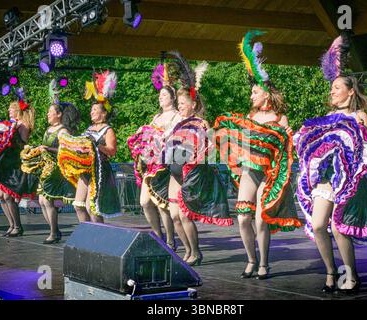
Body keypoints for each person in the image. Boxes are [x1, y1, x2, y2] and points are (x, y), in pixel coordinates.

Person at [294, 33, 367, 294]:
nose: (332, 91)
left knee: (338, 225)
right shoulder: (327, 117)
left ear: (350, 90)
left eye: (336, 87)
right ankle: (331, 272)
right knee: (319, 224)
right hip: (325, 179)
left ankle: (351, 275)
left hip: (347, 179)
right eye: (331, 88)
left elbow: (364, 146)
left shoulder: (359, 115)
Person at [213, 30, 302, 280]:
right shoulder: (249, 118)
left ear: (265, 93)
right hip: (250, 170)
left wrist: (287, 136)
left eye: (254, 92)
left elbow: (286, 148)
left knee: (262, 220)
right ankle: (251, 259)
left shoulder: (279, 118)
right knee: (242, 217)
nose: (251, 95)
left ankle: (264, 263)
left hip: (270, 174)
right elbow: (238, 142)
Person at [164, 52, 233, 266]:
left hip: (190, 174)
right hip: (174, 174)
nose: (180, 105)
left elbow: (209, 150)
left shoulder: (201, 124)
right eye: (179, 102)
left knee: (184, 216)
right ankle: (187, 250)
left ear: (193, 104)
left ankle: (196, 252)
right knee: (174, 216)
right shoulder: (177, 123)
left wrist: (197, 155)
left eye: (184, 102)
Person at [128, 64, 180, 250]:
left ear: (173, 97)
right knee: (145, 202)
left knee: (162, 203)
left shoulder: (176, 116)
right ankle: (158, 236)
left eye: (164, 95)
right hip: (150, 165)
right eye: (160, 95)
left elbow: (175, 137)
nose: (161, 98)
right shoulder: (156, 117)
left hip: (165, 165)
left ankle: (170, 240)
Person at [58, 71, 121, 222]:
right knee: (78, 205)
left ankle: (98, 237)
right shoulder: (88, 129)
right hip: (85, 170)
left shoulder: (108, 130)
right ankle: (86, 232)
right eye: (91, 110)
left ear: (104, 114)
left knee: (92, 207)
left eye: (95, 110)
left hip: (100, 170)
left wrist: (98, 146)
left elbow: (112, 151)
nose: (91, 112)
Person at [0, 98, 38, 237]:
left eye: (11, 108)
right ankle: (11, 225)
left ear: (17, 110)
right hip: (4, 162)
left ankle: (17, 227)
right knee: (0, 196)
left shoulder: (22, 125)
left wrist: (8, 138)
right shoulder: (10, 124)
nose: (9, 110)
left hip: (14, 164)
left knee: (8, 196)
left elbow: (22, 144)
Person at [36, 101, 80, 243]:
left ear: (59, 114)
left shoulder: (63, 131)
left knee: (48, 200)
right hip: (45, 168)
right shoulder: (48, 129)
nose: (48, 114)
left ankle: (54, 233)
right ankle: (54, 230)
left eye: (51, 112)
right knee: (42, 200)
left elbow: (66, 150)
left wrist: (48, 149)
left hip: (56, 169)